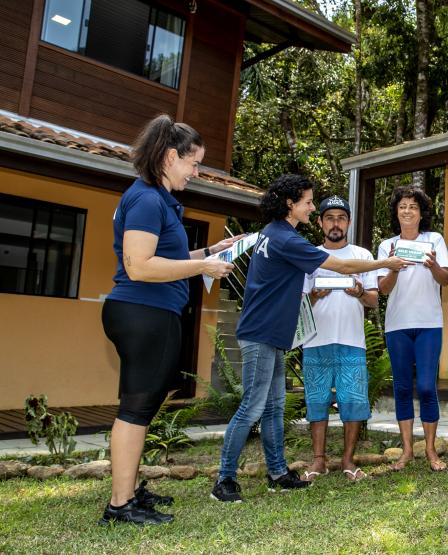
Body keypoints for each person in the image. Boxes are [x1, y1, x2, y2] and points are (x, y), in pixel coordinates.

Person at [211, 181, 410, 503]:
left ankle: (277, 473)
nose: (312, 208)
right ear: (290, 204)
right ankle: (225, 480)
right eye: (308, 202)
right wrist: (384, 263)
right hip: (261, 333)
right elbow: (343, 266)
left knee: (274, 406)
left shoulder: (272, 233)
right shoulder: (285, 238)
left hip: (274, 335)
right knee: (252, 407)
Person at [100, 114, 237, 525]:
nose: (197, 173)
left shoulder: (158, 200)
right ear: (170, 157)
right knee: (135, 409)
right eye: (194, 163)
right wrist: (203, 270)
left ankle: (128, 492)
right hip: (143, 311)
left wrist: (210, 252)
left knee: (141, 407)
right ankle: (119, 506)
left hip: (152, 312)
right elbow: (139, 266)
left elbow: (170, 258)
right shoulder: (145, 198)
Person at [301, 196, 387, 482]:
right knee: (316, 401)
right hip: (315, 341)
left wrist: (360, 292)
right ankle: (319, 461)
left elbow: (374, 300)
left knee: (353, 401)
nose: (335, 223)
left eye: (341, 217)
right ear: (320, 222)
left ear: (348, 222)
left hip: (352, 341)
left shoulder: (362, 256)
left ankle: (348, 461)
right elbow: (298, 304)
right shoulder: (308, 255)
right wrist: (313, 295)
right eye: (329, 217)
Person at [377, 186, 448, 472]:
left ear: (421, 213)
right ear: (397, 213)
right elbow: (383, 290)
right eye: (402, 206)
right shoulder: (387, 246)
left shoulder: (434, 240)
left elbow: (445, 280)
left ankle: (431, 450)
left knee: (426, 386)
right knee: (403, 387)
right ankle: (407, 451)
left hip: (429, 324)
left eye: (413, 207)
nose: (407, 211)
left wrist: (432, 264)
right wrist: (394, 266)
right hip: (398, 325)